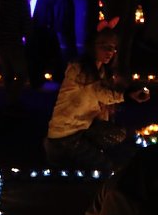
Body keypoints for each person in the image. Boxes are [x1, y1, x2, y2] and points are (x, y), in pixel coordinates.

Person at [44, 24, 150, 173]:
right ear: (92, 46)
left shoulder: (100, 71)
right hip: (65, 136)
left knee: (117, 134)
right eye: (104, 46)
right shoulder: (79, 69)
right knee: (107, 169)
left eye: (113, 47)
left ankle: (85, 152)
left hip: (84, 128)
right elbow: (100, 93)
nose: (109, 52)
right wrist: (127, 95)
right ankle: (67, 160)